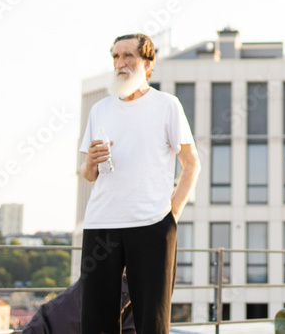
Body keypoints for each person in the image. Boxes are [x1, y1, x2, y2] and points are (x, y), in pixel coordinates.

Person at [79, 33, 201, 334]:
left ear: (148, 62)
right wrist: (90, 162)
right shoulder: (100, 109)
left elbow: (191, 163)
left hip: (152, 223)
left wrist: (171, 213)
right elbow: (88, 174)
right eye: (116, 57)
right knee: (96, 320)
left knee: (153, 321)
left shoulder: (167, 105)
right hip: (101, 223)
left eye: (128, 56)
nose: (120, 63)